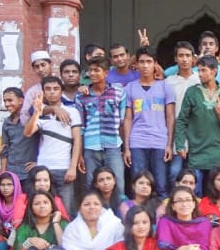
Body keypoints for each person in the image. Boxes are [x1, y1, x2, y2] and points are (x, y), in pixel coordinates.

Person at [25, 76, 83, 215]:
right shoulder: (40, 113)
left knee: (66, 211)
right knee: (43, 208)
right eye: (48, 89)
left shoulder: (72, 112)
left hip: (64, 168)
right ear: (43, 92)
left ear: (61, 91)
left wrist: (73, 167)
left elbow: (77, 140)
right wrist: (37, 112)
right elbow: (27, 132)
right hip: (44, 169)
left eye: (56, 89)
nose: (52, 92)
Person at [123, 46, 176, 197]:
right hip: (137, 142)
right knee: (138, 186)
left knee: (161, 186)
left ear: (155, 64)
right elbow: (128, 119)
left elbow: (170, 117)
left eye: (149, 62)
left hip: (160, 141)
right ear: (136, 65)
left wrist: (169, 144)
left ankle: (160, 213)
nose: (145, 66)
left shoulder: (165, 87)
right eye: (142, 62)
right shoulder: (130, 88)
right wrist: (126, 148)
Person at [174, 55, 220, 194]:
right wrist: (180, 144)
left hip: (217, 152)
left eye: (203, 70)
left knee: (216, 193)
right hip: (196, 152)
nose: (200, 74)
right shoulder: (192, 92)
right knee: (194, 193)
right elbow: (181, 120)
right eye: (198, 70)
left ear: (214, 71)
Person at [76, 56, 126, 190]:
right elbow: (80, 128)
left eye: (96, 70)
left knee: (118, 186)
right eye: (90, 70)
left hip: (113, 146)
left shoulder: (118, 92)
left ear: (106, 73)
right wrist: (80, 154)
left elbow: (123, 122)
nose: (92, 73)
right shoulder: (81, 97)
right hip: (90, 147)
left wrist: (124, 148)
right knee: (91, 187)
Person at [164, 41, 200, 186]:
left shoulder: (200, 79)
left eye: (188, 55)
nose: (184, 59)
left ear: (193, 59)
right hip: (177, 134)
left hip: (198, 134)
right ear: (175, 59)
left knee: (196, 175)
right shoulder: (168, 82)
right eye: (181, 56)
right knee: (174, 172)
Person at [0, 87, 38, 188]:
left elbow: (45, 141)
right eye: (5, 101)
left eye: (10, 100)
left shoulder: (31, 120)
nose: (7, 104)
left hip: (29, 172)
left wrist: (39, 162)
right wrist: (3, 173)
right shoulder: (7, 122)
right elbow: (4, 149)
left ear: (21, 101)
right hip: (12, 173)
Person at [19, 50, 54, 125]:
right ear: (34, 69)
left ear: (51, 64)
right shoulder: (32, 91)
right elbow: (24, 118)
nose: (40, 69)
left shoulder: (61, 86)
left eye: (43, 65)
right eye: (37, 67)